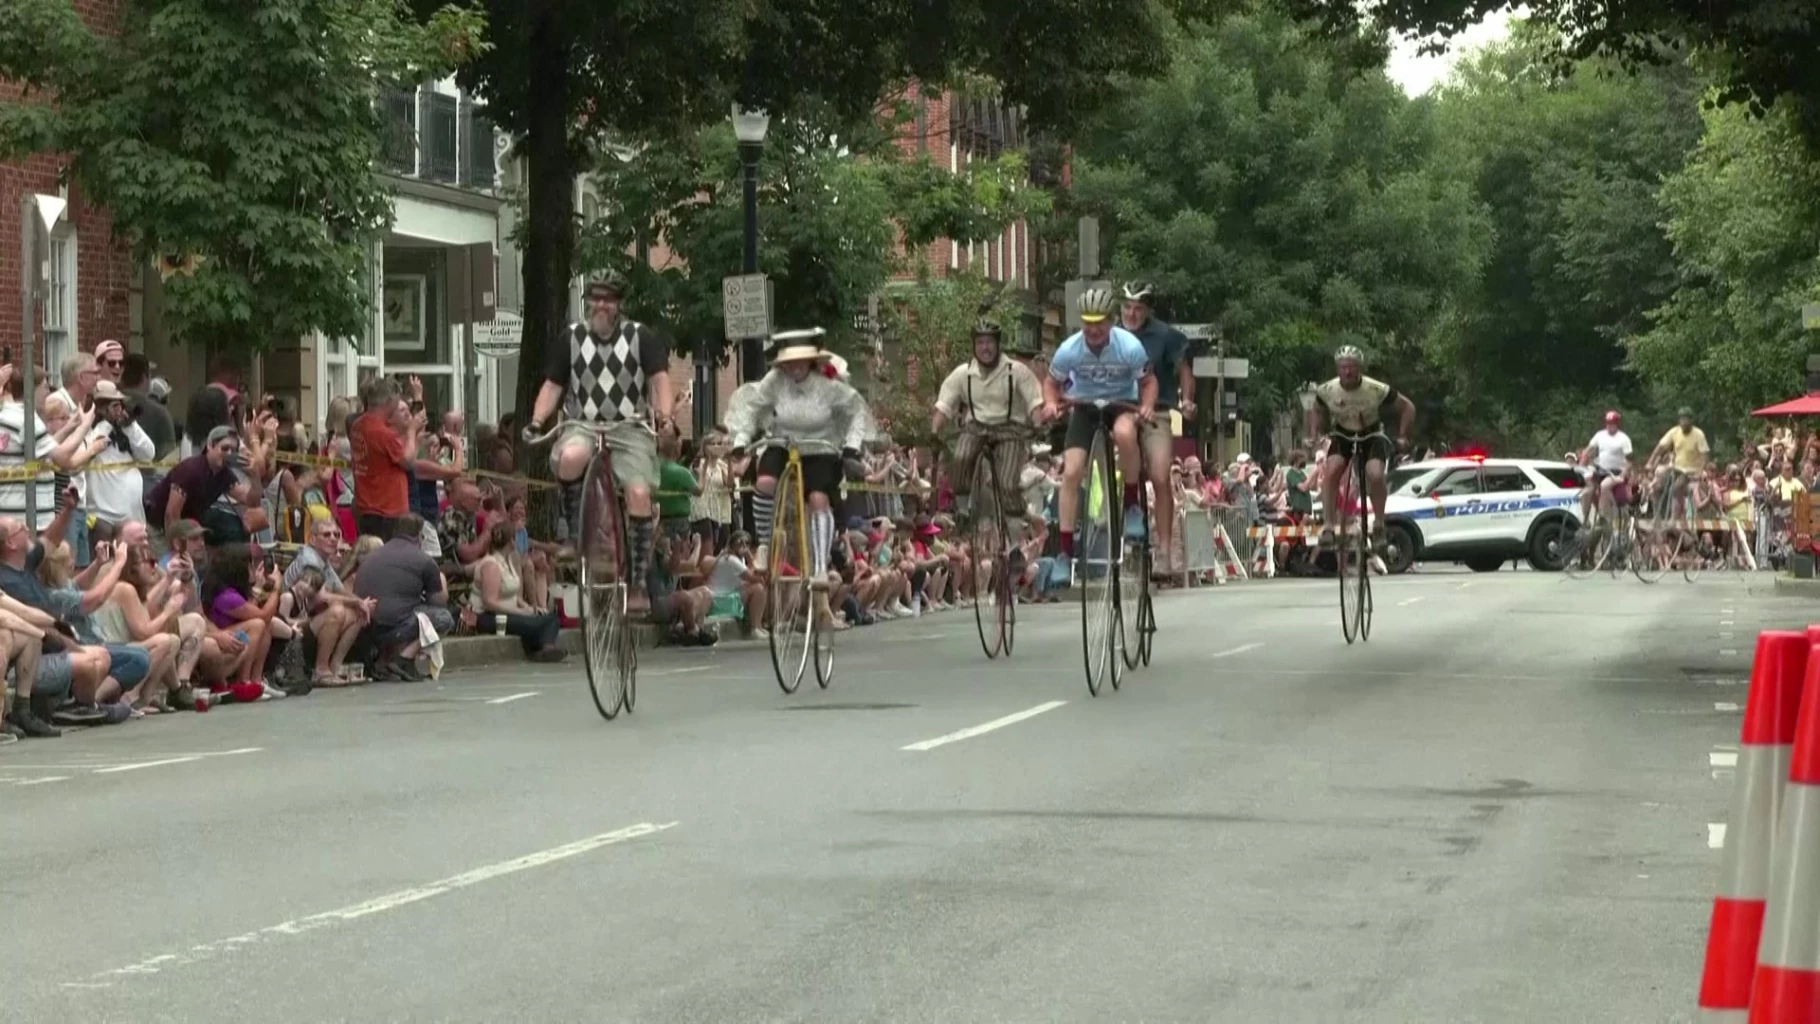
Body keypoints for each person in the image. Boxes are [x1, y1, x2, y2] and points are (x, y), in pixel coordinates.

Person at [523, 274, 673, 610]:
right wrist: (536, 421)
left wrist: (664, 418)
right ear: (588, 301)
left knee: (638, 493)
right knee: (570, 457)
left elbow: (660, 381)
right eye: (596, 298)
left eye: (609, 299)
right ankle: (575, 537)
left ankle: (637, 583)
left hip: (629, 427)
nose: (602, 305)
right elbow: (552, 386)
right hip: (584, 424)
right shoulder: (571, 338)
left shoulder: (640, 336)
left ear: (619, 304)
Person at [725, 329, 875, 625]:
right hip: (784, 442)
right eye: (789, 362)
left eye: (800, 361)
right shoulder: (774, 382)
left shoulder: (829, 385)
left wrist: (852, 445)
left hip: (819, 446)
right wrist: (741, 439)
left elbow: (856, 412)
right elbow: (752, 408)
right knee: (765, 482)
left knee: (818, 498)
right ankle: (765, 543)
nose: (794, 367)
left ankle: (819, 566)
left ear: (811, 361)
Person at [1041, 287, 1155, 583]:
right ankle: (1065, 553)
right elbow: (1051, 383)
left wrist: (1146, 406)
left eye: (1099, 323)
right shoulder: (1069, 349)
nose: (1093, 330)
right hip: (1084, 406)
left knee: (1125, 432)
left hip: (1121, 403)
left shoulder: (1129, 346)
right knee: (1071, 472)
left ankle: (1131, 505)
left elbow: (1148, 382)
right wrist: (1051, 403)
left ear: (1111, 321)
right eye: (1087, 322)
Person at [931, 319, 1045, 558]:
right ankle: (963, 512)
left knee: (1007, 482)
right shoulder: (963, 374)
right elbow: (944, 406)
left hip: (1010, 429)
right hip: (977, 427)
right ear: (974, 346)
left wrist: (1038, 424)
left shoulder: (1017, 371)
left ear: (998, 344)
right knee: (961, 456)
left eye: (990, 342)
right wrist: (934, 432)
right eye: (980, 342)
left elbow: (1034, 402)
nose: (985, 348)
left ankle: (1015, 543)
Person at [1303, 346, 1415, 552]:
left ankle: (1379, 523)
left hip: (1371, 434)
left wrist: (1403, 435)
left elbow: (1407, 407)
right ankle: (1328, 526)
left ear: (1359, 368)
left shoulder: (1375, 388)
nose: (1347, 372)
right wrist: (1313, 434)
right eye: (1343, 367)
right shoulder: (1328, 389)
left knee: (1375, 473)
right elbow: (1316, 408)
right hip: (1343, 433)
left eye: (1352, 367)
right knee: (1332, 469)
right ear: (1337, 369)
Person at [1118, 281, 1195, 575]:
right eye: (1127, 307)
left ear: (1148, 310)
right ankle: (1114, 538)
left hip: (1157, 412)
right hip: (1120, 410)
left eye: (1138, 309)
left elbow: (1184, 370)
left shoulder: (1165, 335)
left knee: (1161, 476)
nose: (1131, 314)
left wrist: (1186, 400)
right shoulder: (1110, 335)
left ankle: (1163, 551)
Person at [351, 512, 453, 679]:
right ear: (420, 536)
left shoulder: (374, 555)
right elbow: (439, 601)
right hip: (393, 626)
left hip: (365, 624)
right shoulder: (424, 560)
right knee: (443, 617)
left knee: (401, 609)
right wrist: (441, 582)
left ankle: (384, 662)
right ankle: (404, 659)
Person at [282, 515, 377, 685]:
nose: (333, 539)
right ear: (312, 539)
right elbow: (322, 597)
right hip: (292, 624)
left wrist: (363, 604)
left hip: (308, 618)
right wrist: (356, 602)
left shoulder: (323, 560)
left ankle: (335, 668)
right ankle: (321, 670)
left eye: (336, 535)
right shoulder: (309, 559)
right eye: (326, 535)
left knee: (358, 613)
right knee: (337, 612)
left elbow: (340, 590)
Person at [471, 521, 565, 661]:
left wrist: (529, 608)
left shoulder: (509, 561)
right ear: (512, 542)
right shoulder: (491, 564)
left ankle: (545, 649)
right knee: (542, 623)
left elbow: (515, 596)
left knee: (551, 618)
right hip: (489, 616)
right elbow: (490, 602)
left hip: (509, 612)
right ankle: (545, 649)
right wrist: (519, 612)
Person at [144, 426, 258, 540]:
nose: (229, 453)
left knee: (232, 528)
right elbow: (171, 514)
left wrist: (255, 476)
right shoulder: (191, 470)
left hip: (185, 522)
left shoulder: (224, 475)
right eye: (225, 448)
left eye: (233, 451)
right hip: (157, 525)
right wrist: (176, 546)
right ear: (210, 446)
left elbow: (251, 500)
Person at [72, 380, 154, 528]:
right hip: (103, 518)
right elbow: (85, 451)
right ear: (99, 407)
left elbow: (149, 454)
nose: (118, 410)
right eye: (113, 405)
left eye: (119, 404)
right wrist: (106, 423)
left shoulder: (126, 430)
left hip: (132, 517)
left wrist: (129, 427)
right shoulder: (88, 429)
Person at [349, 377, 417, 540]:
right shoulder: (383, 433)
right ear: (389, 401)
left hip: (365, 505)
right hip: (387, 510)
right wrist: (412, 431)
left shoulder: (357, 425)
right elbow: (408, 461)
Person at [705, 529, 769, 639]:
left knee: (755, 587)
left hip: (725, 596)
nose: (744, 546)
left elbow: (749, 576)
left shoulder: (739, 559)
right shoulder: (731, 559)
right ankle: (755, 627)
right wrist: (750, 557)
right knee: (759, 589)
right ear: (732, 544)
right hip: (719, 601)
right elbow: (754, 578)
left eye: (747, 543)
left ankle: (758, 626)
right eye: (740, 542)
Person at [1649, 406, 1710, 519]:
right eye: (1682, 419)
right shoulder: (1674, 431)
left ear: (1691, 420)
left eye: (1686, 419)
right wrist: (1650, 461)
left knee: (1675, 488)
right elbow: (1661, 446)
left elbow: (1704, 455)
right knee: (1656, 487)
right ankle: (1657, 517)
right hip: (1676, 468)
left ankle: (1674, 518)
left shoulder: (1698, 434)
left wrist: (1700, 471)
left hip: (1691, 471)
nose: (1684, 422)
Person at [1578, 411, 1634, 524]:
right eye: (1608, 423)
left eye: (1612, 423)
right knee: (1587, 492)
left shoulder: (1623, 438)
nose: (1609, 426)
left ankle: (1604, 518)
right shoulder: (1600, 435)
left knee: (1604, 486)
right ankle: (1585, 521)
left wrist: (1622, 475)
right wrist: (1581, 464)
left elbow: (1630, 461)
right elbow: (1588, 450)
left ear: (1617, 424)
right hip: (1600, 470)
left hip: (1616, 472)